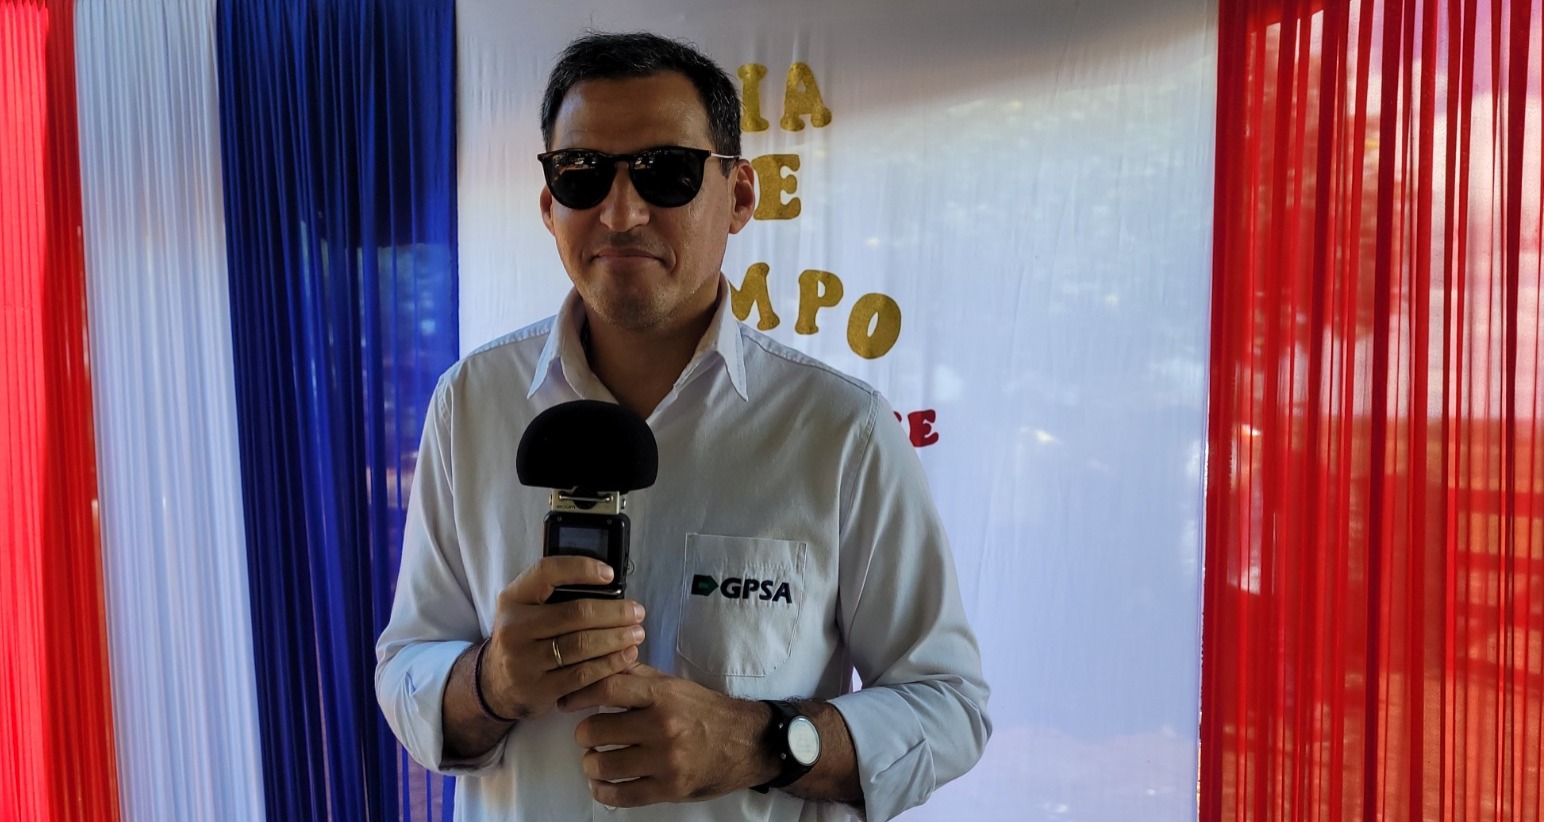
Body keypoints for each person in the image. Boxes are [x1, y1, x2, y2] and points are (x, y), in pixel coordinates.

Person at [375, 31, 990, 822]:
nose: (620, 211)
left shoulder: (844, 432)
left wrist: (761, 741)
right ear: (549, 205)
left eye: (666, 171)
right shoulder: (470, 404)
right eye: (582, 173)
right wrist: (491, 682)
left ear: (739, 197)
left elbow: (949, 706)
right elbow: (407, 668)